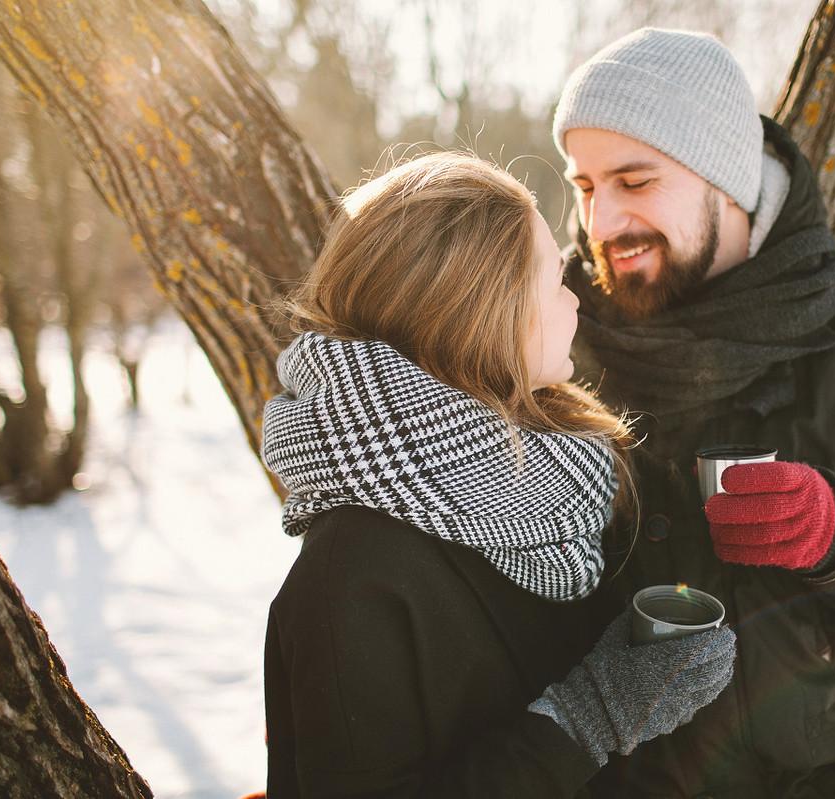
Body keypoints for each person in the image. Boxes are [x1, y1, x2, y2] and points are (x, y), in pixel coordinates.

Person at [552, 28, 835, 797]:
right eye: (586, 187)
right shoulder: (560, 350)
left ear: (724, 177)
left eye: (635, 180)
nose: (604, 222)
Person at [259, 152, 737, 798]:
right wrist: (586, 718)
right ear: (483, 312)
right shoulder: (352, 573)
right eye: (552, 277)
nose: (575, 296)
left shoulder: (564, 467)